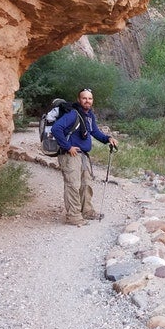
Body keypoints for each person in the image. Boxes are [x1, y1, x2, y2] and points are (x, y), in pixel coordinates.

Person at [52, 88, 118, 226]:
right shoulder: (72, 114)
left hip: (83, 155)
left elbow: (94, 132)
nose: (87, 101)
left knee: (86, 184)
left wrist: (108, 139)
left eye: (90, 98)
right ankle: (74, 216)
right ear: (79, 99)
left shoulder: (89, 116)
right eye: (84, 98)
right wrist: (67, 147)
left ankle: (86, 211)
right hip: (70, 155)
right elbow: (56, 129)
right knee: (73, 185)